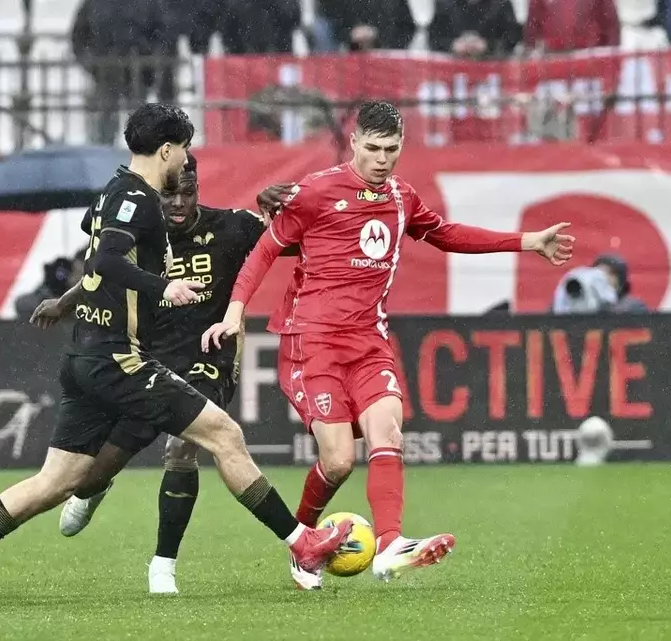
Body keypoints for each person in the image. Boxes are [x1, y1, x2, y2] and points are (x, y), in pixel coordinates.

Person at [0, 104, 352, 605]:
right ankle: (304, 543)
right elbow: (105, 259)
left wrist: (68, 300)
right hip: (117, 358)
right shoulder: (141, 200)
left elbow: (97, 250)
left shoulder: (109, 195)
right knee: (224, 434)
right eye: (183, 149)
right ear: (166, 149)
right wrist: (162, 286)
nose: (184, 160)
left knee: (58, 480)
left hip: (84, 354)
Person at [202, 101, 575, 590]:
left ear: (402, 147)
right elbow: (266, 250)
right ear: (354, 143)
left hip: (368, 340)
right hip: (311, 340)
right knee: (337, 460)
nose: (382, 159)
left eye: (392, 149)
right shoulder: (315, 192)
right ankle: (302, 547)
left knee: (389, 432)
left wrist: (527, 241)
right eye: (373, 148)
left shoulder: (401, 197)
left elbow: (447, 234)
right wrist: (235, 310)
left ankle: (391, 544)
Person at [52, 153, 291, 594]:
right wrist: (63, 304)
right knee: (89, 473)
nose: (179, 202)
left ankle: (163, 566)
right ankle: (94, 489)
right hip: (148, 360)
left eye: (189, 192)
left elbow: (291, 240)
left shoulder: (233, 227)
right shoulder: (142, 233)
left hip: (209, 357)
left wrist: (279, 209)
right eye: (170, 194)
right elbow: (101, 275)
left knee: (183, 450)